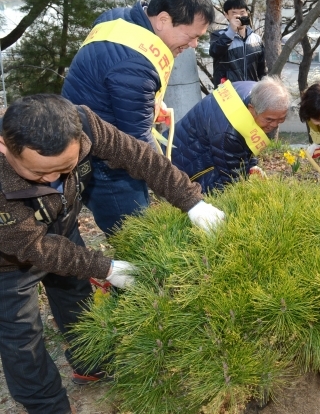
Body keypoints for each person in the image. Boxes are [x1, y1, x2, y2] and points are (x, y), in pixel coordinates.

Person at [0, 94, 225, 414]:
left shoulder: (84, 123)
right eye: (38, 175)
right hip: (7, 261)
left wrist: (193, 202)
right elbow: (35, 248)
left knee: (75, 295)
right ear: (4, 148)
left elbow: (140, 157)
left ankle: (90, 363)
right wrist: (107, 267)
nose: (53, 181)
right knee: (23, 340)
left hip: (59, 227)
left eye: (65, 169)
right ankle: (48, 406)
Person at [61, 0, 215, 236]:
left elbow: (112, 82)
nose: (193, 45)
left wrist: (149, 102)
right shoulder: (135, 66)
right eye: (191, 36)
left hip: (83, 136)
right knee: (138, 236)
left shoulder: (120, 19)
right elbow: (138, 145)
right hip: (106, 163)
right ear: (163, 20)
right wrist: (190, 201)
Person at [169, 76, 290, 194]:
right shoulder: (229, 133)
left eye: (281, 119)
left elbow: (246, 145)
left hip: (194, 140)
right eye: (269, 119)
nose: (274, 125)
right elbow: (233, 179)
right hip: (182, 164)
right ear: (251, 109)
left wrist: (252, 166)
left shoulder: (254, 91)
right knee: (219, 190)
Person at [209, 0, 267, 87]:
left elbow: (262, 70)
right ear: (226, 15)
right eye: (234, 13)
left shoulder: (256, 39)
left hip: (250, 90)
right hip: (227, 93)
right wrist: (231, 32)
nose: (239, 16)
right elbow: (214, 52)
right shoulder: (219, 36)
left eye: (242, 12)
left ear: (247, 13)